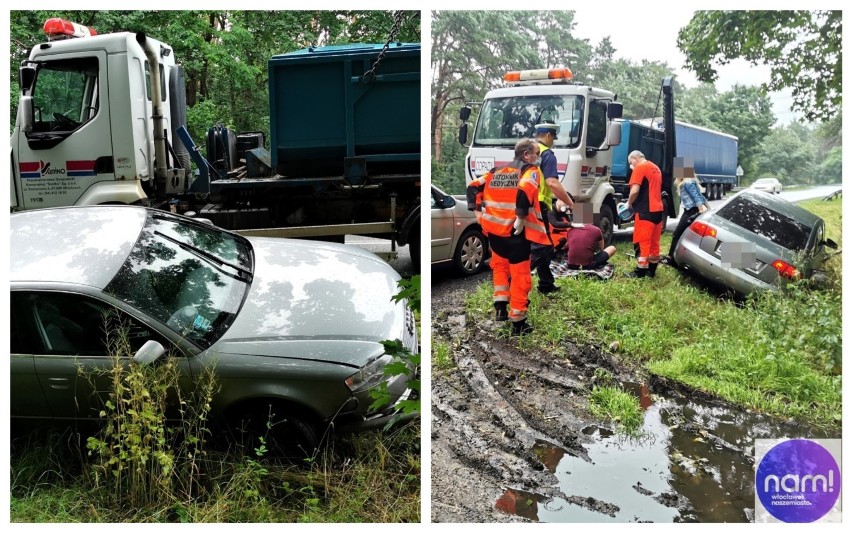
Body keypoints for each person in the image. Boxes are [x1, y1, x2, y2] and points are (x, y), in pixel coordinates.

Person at [467, 139, 550, 336]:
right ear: (526, 154)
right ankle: (518, 321)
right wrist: (521, 217)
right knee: (521, 275)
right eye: (536, 154)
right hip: (516, 234)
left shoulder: (496, 172)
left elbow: (472, 187)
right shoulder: (529, 171)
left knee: (500, 267)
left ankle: (500, 306)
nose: (538, 158)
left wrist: (477, 214)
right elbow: (524, 190)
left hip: (495, 233)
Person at [531, 122, 575, 294]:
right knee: (542, 248)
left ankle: (546, 284)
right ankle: (516, 277)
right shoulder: (547, 154)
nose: (554, 141)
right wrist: (571, 203)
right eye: (554, 138)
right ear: (548, 136)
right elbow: (552, 182)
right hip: (539, 205)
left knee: (543, 246)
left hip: (525, 203)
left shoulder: (527, 153)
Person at [624, 150, 664, 278]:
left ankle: (640, 271)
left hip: (645, 210)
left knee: (643, 241)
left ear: (635, 158)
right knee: (654, 242)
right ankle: (651, 271)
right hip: (658, 210)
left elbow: (635, 190)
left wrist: (628, 203)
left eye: (631, 162)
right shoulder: (655, 167)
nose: (631, 166)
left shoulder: (640, 167)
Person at [550, 200, 617, 270]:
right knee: (612, 248)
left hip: (571, 265)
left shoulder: (570, 231)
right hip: (588, 265)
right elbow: (600, 248)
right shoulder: (596, 230)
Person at [663, 170, 709, 268]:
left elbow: (696, 197)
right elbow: (701, 196)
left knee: (677, 234)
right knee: (683, 234)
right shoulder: (689, 181)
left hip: (691, 211)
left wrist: (701, 209)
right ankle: (674, 258)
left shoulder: (687, 182)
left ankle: (671, 259)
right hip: (690, 210)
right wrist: (709, 208)